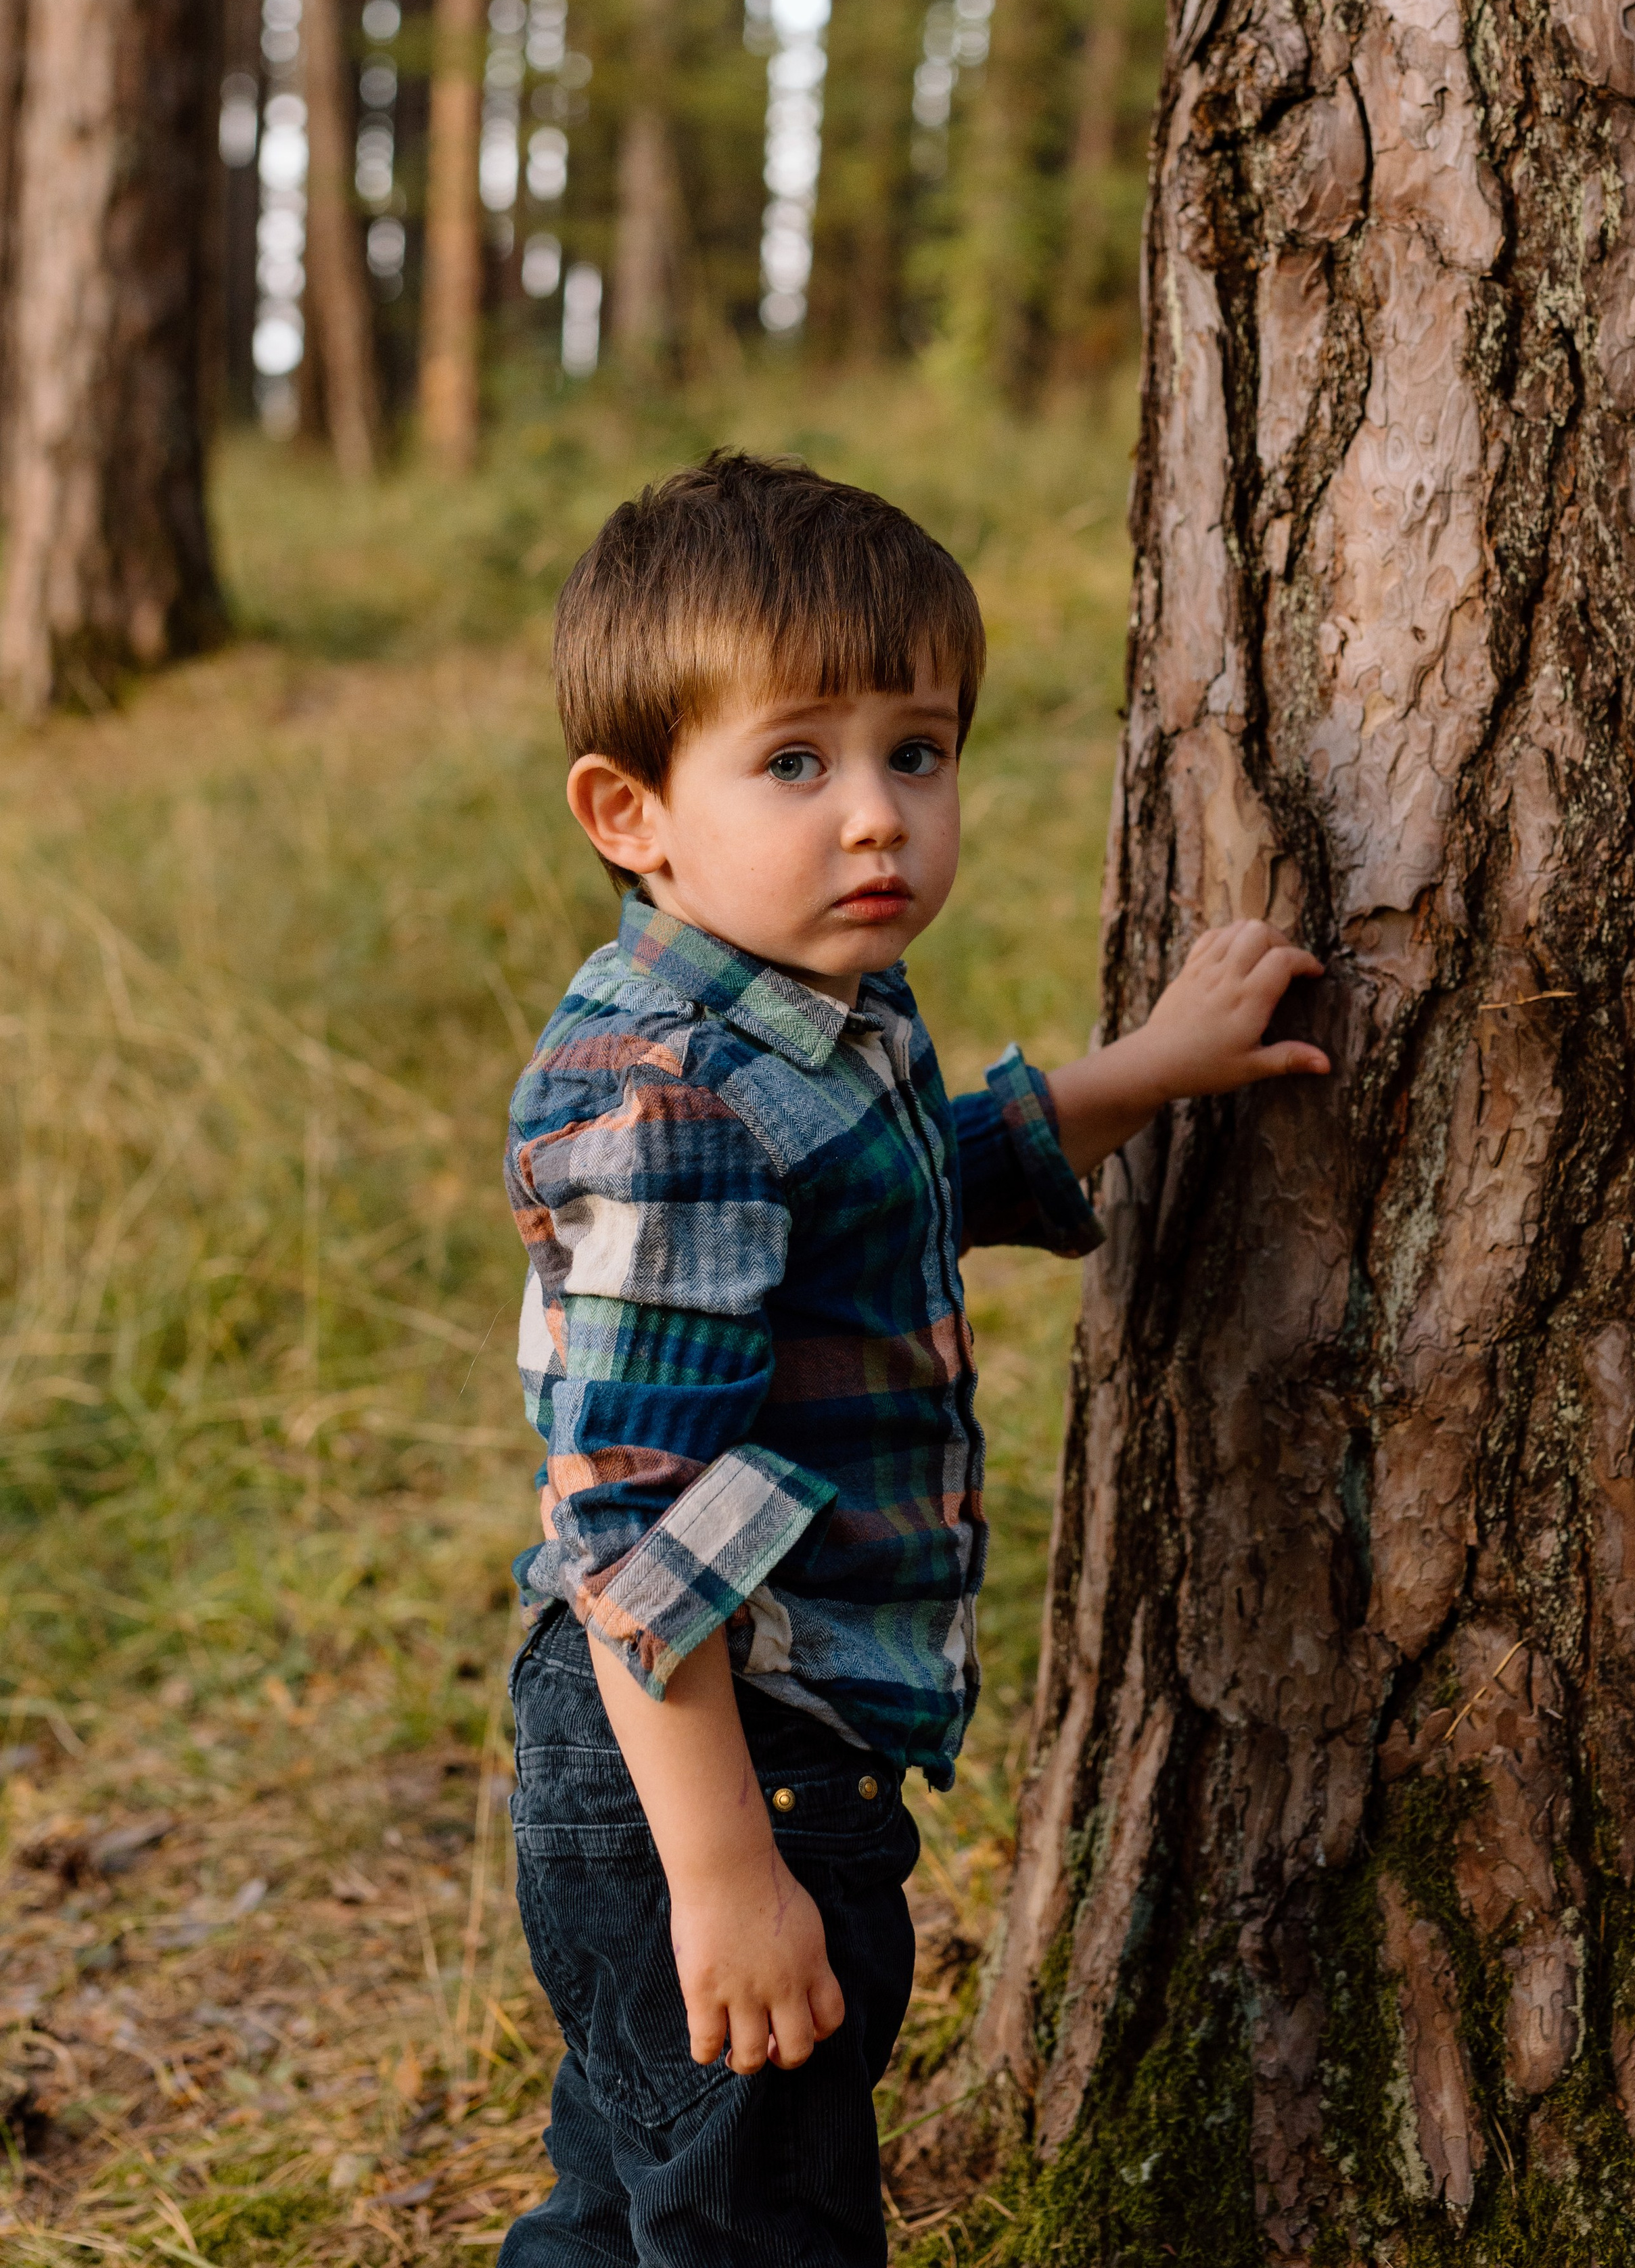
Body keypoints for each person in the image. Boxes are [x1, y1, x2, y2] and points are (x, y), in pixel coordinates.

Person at [499, 454, 1329, 2266]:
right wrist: (728, 1881)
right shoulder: (671, 1094)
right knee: (754, 2222)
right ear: (630, 809)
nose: (876, 815)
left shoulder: (807, 1016)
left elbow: (905, 1183)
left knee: (635, 2199)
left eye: (919, 751)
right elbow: (629, 1521)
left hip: (745, 1748)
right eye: (795, 761)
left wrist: (1150, 1069)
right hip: (721, 1764)